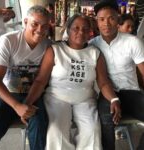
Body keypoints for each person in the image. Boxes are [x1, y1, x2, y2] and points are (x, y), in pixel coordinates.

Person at [24, 14, 121, 150]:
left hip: (85, 100)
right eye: (76, 28)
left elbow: (103, 82)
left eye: (85, 29)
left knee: (92, 131)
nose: (81, 32)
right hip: (56, 98)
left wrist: (114, 99)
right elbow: (40, 81)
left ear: (90, 32)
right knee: (56, 132)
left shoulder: (94, 53)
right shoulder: (55, 50)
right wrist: (28, 102)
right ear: (68, 30)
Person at [0, 5, 51, 150]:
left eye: (44, 26)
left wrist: (26, 103)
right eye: (35, 24)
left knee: (39, 126)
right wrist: (17, 106)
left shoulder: (48, 46)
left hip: (33, 94)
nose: (40, 30)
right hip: (6, 93)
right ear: (25, 22)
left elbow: (40, 80)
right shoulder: (8, 40)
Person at [89, 1, 144, 150]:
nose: (106, 23)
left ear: (118, 20)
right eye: (101, 19)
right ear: (96, 22)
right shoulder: (92, 45)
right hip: (108, 94)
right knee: (105, 120)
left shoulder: (133, 42)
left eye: (111, 18)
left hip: (131, 91)